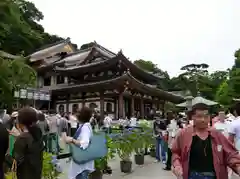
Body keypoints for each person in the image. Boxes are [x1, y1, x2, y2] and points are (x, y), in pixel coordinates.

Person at [172, 103, 240, 179]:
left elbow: (230, 154)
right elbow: (175, 153)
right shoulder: (184, 134)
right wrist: (177, 165)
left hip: (214, 176)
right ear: (193, 117)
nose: (203, 120)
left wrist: (237, 166)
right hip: (192, 176)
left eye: (206, 116)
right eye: (199, 116)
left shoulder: (217, 134)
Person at [13, 107, 44, 179]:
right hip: (36, 172)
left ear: (21, 121)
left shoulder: (22, 138)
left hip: (25, 174)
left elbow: (17, 159)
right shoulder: (38, 132)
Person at [65, 107, 94, 179]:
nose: (76, 115)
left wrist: (72, 140)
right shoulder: (85, 126)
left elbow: (84, 144)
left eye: (78, 113)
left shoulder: (85, 128)